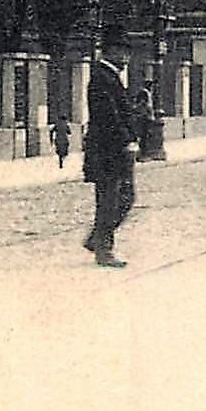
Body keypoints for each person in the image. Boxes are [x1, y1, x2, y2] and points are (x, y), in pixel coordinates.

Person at [83, 25, 136, 268]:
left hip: (113, 150)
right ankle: (103, 249)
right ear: (110, 52)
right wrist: (126, 140)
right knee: (110, 200)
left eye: (127, 52)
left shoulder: (110, 76)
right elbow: (109, 115)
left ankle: (98, 239)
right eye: (122, 52)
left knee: (123, 198)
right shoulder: (102, 77)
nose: (126, 57)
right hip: (107, 151)